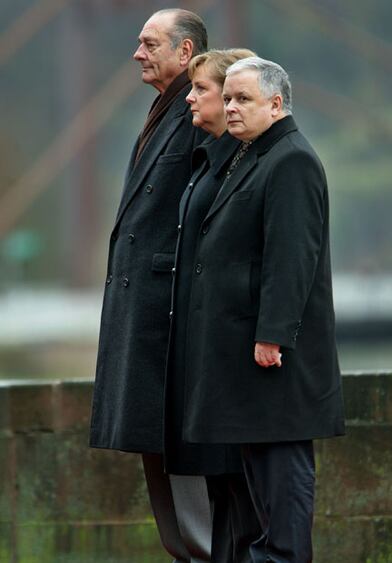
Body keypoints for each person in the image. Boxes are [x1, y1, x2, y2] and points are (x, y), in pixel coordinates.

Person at [178, 56, 346, 562]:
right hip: (249, 360)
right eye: (226, 98)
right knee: (262, 492)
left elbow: (292, 257)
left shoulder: (290, 159)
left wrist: (272, 335)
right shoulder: (255, 154)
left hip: (272, 363)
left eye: (242, 99)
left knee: (281, 491)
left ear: (276, 104)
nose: (230, 108)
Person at [89, 9, 215, 563]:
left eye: (150, 44)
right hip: (145, 317)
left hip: (169, 321)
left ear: (185, 54)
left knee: (184, 464)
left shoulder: (199, 109)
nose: (138, 54)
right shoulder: (166, 109)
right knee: (157, 457)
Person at [165, 49, 262, 563]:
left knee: (239, 493)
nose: (192, 97)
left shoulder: (243, 167)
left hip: (228, 351)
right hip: (200, 347)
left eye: (202, 88)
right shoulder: (208, 158)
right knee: (219, 491)